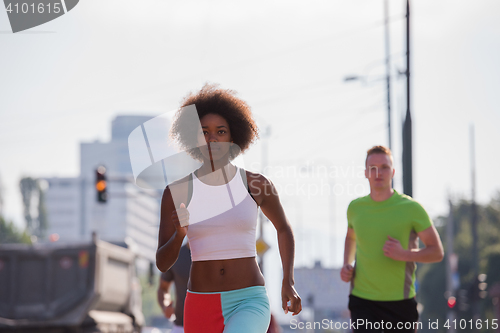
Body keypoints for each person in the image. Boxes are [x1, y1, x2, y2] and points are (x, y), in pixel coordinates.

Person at [156, 84, 301, 333]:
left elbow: (284, 229)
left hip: (248, 300)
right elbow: (162, 262)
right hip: (200, 303)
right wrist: (180, 234)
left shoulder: (256, 185)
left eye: (220, 132)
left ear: (232, 139)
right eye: (204, 132)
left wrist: (288, 281)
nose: (212, 139)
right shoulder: (176, 192)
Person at [340, 145, 444, 332]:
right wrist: (347, 264)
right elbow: (351, 237)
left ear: (393, 172)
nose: (378, 173)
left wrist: (404, 254)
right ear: (365, 172)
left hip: (400, 303)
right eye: (373, 168)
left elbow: (437, 252)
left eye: (385, 167)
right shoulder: (355, 208)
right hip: (362, 301)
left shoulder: (412, 209)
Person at [157, 243, 191, 333]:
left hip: (212, 325)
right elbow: (163, 288)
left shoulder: (215, 254)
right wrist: (165, 305)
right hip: (181, 326)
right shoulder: (176, 255)